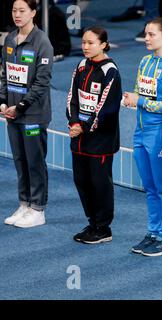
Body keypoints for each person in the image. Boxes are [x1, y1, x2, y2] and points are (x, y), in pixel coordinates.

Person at [123, 17, 162, 256]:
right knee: (149, 186)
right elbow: (141, 91)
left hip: (160, 132)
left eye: (152, 35)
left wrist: (141, 101)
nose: (147, 39)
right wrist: (132, 98)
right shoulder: (145, 61)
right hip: (140, 130)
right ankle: (153, 232)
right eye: (146, 34)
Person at [66, 27, 122, 244]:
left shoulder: (110, 71)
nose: (86, 47)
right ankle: (92, 223)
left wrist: (85, 126)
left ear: (104, 45)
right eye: (83, 43)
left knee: (100, 183)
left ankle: (103, 227)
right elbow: (72, 96)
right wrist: (73, 122)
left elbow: (106, 106)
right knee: (81, 180)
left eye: (91, 43)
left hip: (100, 140)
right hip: (79, 137)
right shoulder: (81, 66)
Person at [0, 0, 53, 228]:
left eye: (22, 11)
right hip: (12, 114)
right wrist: (2, 101)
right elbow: (5, 75)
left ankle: (38, 208)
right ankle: (24, 204)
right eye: (14, 10)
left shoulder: (42, 43)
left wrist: (20, 106)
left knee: (34, 161)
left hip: (32, 114)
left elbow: (41, 83)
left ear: (33, 12)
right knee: (20, 160)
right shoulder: (9, 39)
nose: (17, 15)